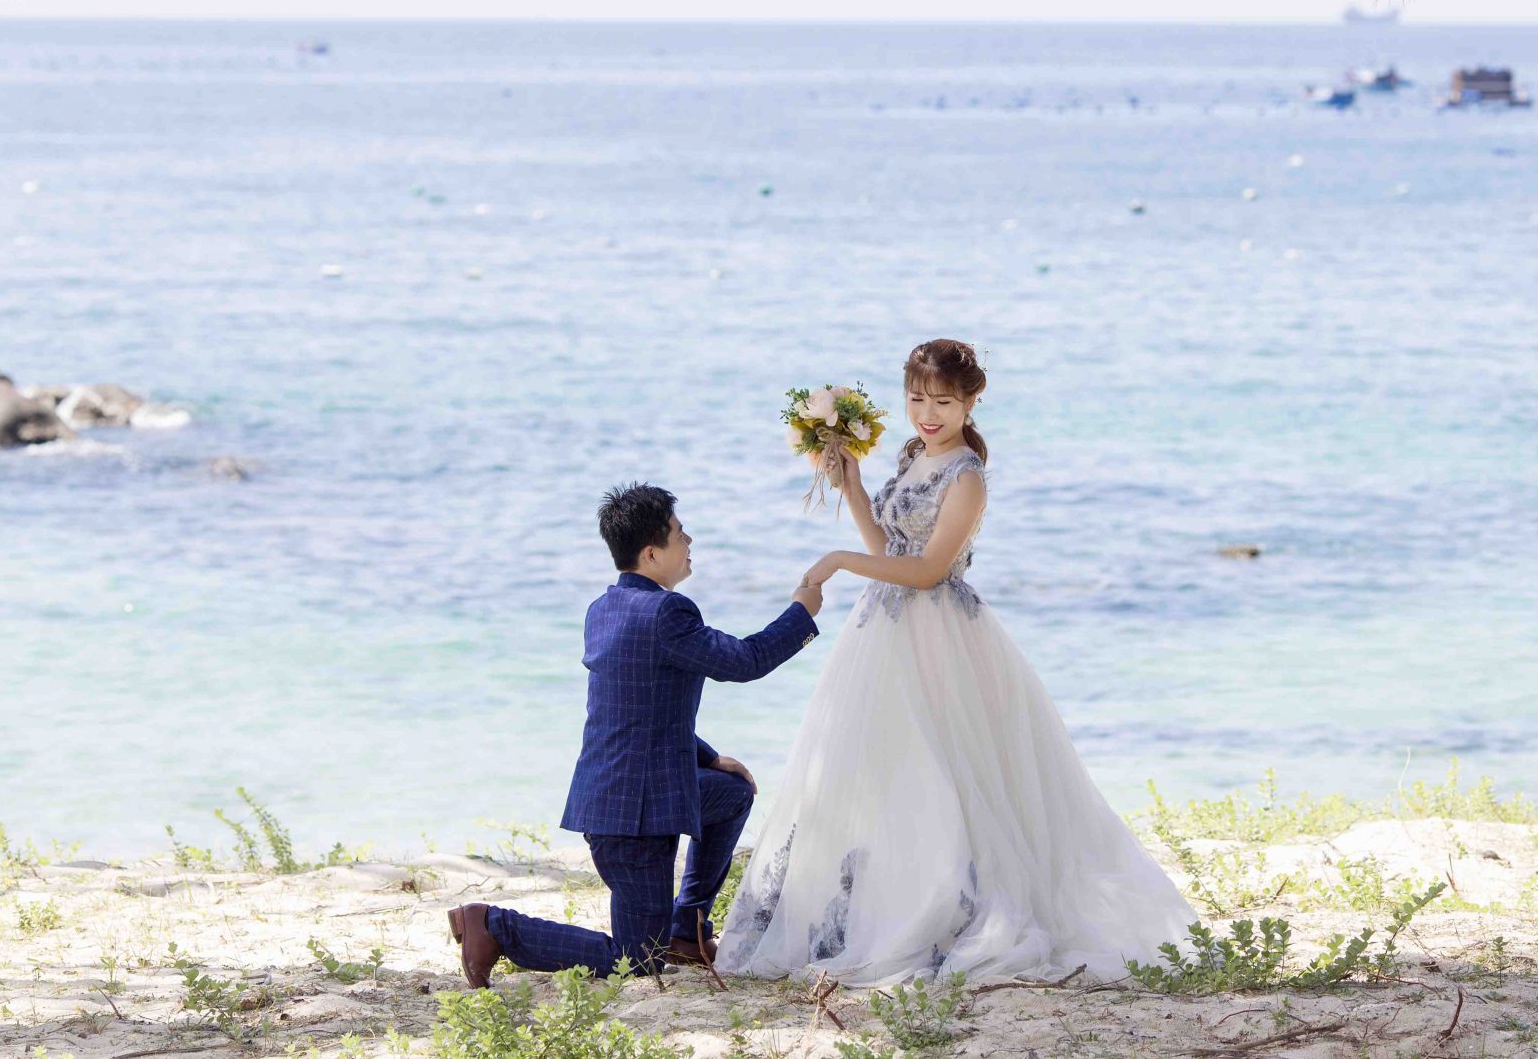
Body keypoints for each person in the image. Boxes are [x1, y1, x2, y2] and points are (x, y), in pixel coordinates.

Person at [714, 339, 1197, 985]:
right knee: (879, 772)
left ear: (971, 402)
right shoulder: (913, 454)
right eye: (917, 399)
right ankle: (870, 907)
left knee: (942, 775)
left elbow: (927, 570)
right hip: (883, 633)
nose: (927, 414)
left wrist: (836, 562)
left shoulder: (966, 476)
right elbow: (888, 546)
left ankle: (949, 909)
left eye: (943, 402)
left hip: (939, 635)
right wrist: (852, 485)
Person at [448, 483, 824, 986]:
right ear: (651, 553)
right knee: (638, 961)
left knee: (732, 792)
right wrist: (802, 612)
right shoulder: (668, 613)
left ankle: (687, 931)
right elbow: (745, 661)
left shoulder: (603, 608)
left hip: (623, 796)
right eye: (680, 533)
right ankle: (493, 925)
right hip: (633, 820)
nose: (689, 541)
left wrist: (709, 758)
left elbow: (634, 709)